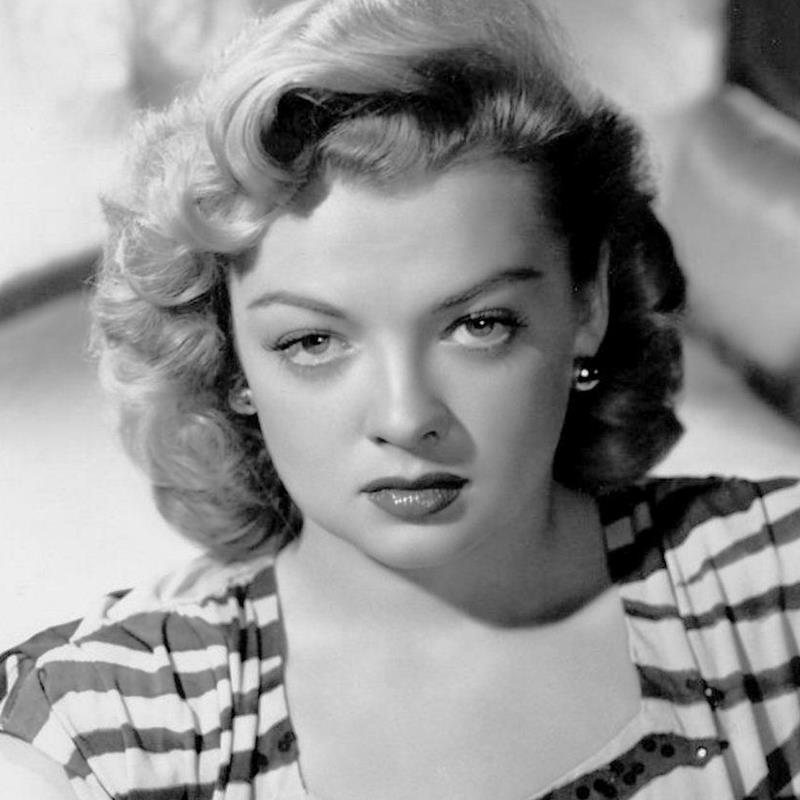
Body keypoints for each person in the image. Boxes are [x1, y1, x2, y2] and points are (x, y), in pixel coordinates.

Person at [2, 0, 799, 797]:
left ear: (585, 305)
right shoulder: (100, 733)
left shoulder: (776, 590)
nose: (405, 417)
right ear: (233, 362)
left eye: (479, 325)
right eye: (312, 342)